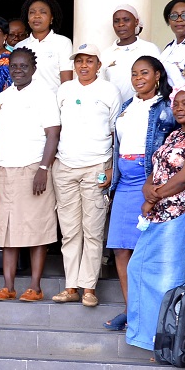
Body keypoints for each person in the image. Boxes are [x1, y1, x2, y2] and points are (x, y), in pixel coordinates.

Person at [124, 85, 185, 351]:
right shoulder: (173, 134)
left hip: (180, 212)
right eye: (176, 104)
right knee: (137, 268)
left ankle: (167, 341)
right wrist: (147, 188)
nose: (179, 108)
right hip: (158, 214)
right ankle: (145, 335)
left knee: (170, 278)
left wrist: (154, 196)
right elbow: (158, 166)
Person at [103, 55, 176, 331]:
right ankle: (131, 309)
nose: (138, 78)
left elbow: (168, 149)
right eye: (134, 74)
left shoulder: (166, 107)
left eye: (144, 73)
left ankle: (149, 312)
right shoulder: (126, 106)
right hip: (124, 182)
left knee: (144, 248)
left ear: (157, 75)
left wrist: (156, 180)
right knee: (121, 248)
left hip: (148, 179)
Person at [50, 44, 121, 307]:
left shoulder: (109, 91)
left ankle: (88, 288)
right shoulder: (65, 89)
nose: (83, 65)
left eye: (89, 61)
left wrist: (111, 167)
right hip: (65, 166)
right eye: (79, 61)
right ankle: (70, 286)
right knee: (69, 231)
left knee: (93, 230)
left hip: (96, 166)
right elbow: (56, 127)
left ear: (98, 65)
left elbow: (115, 132)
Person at [0, 46, 60, 303]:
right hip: (4, 169)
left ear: (33, 68)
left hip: (33, 168)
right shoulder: (2, 98)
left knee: (37, 230)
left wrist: (43, 168)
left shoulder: (45, 95)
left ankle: (35, 287)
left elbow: (53, 134)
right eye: (14, 66)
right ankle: (8, 286)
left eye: (24, 66)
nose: (18, 70)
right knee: (7, 230)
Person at [102, 4, 159, 104]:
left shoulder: (150, 49)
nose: (121, 24)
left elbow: (161, 81)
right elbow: (102, 86)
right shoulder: (106, 54)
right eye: (116, 21)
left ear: (136, 22)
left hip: (147, 107)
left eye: (126, 20)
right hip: (114, 109)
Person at [17, 0, 73, 93]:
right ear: (28, 19)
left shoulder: (63, 43)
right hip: (24, 100)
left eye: (43, 12)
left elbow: (66, 82)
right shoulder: (20, 46)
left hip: (53, 100)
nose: (37, 16)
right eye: (32, 12)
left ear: (51, 18)